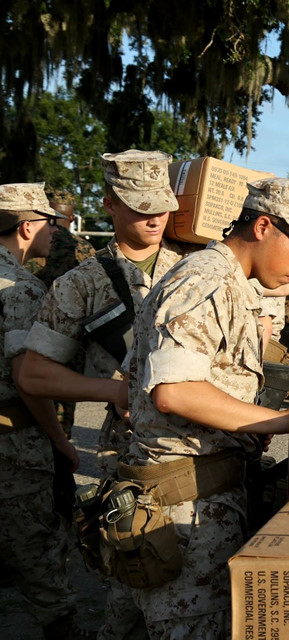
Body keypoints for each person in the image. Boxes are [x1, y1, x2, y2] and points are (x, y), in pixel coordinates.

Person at [122, 177, 289, 638]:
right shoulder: (204, 280)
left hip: (206, 497)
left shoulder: (230, 283)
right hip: (185, 510)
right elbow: (175, 391)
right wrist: (285, 420)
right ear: (263, 226)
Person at [20, 150, 190, 640]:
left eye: (161, 204)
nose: (155, 216)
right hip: (134, 452)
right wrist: (109, 389)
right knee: (135, 576)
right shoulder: (80, 285)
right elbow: (33, 375)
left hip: (203, 445)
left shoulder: (195, 269)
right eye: (139, 206)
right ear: (110, 204)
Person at [0, 183, 90, 639]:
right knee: (39, 549)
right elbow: (27, 380)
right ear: (28, 226)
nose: (57, 232)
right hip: (13, 445)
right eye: (49, 223)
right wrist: (60, 442)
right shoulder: (17, 289)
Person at [22, 190, 97, 440]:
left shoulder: (33, 246)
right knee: (66, 397)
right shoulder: (85, 250)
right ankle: (61, 439)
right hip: (72, 339)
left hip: (30, 335)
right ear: (72, 217)